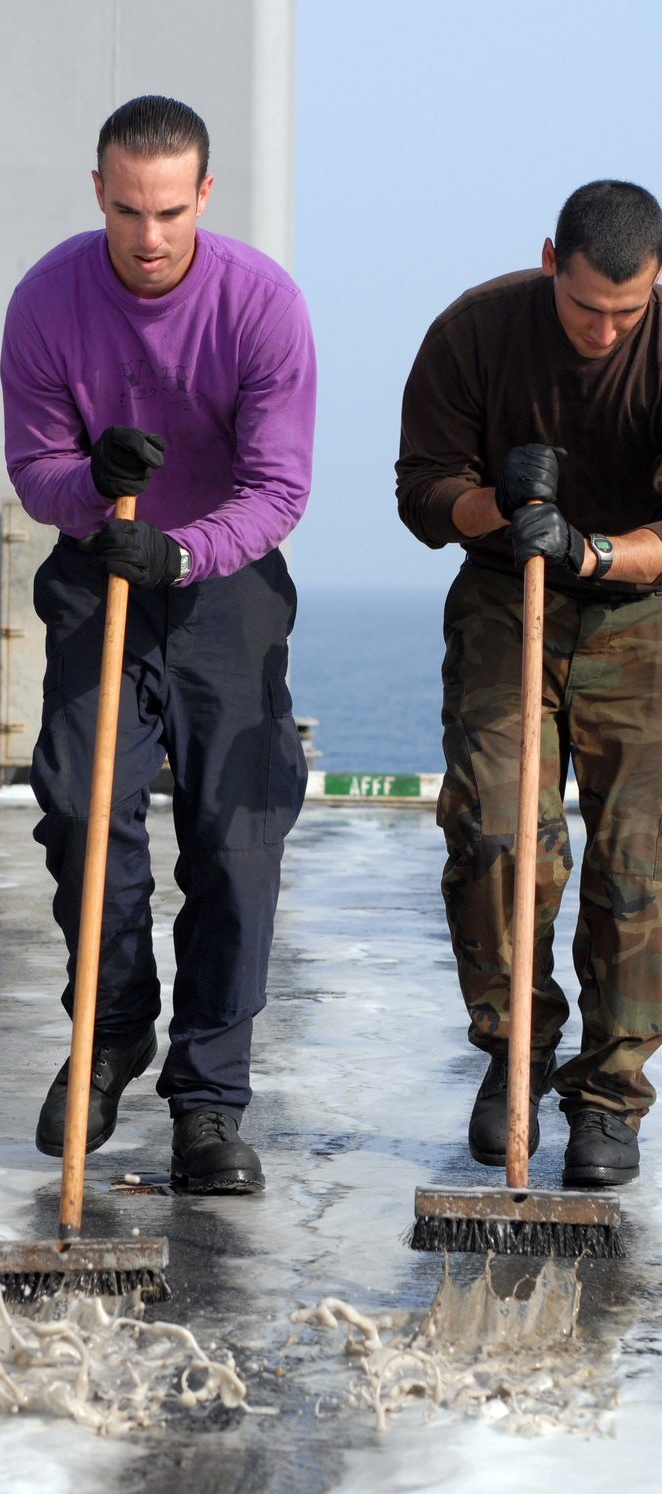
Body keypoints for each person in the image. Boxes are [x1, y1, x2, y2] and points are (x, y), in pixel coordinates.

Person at [0, 95, 315, 1192]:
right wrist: (94, 487)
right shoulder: (48, 298)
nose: (147, 237)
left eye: (170, 211)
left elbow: (279, 487)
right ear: (97, 191)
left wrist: (181, 554)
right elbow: (34, 469)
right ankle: (111, 1033)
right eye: (127, 209)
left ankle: (209, 1101)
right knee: (84, 809)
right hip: (98, 570)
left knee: (236, 835)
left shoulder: (260, 304)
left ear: (204, 197)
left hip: (219, 583)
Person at [397, 179, 662, 1188]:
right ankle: (514, 1051)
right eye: (584, 305)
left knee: (637, 860)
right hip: (509, 597)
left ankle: (608, 1096)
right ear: (550, 258)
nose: (601, 330)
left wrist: (592, 550)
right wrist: (495, 508)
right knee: (500, 834)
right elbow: (419, 491)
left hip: (640, 608)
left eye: (623, 313)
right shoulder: (473, 330)